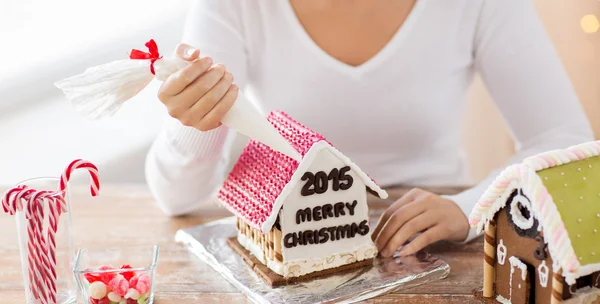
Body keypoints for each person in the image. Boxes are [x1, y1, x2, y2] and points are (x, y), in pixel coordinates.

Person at [146, 0, 593, 257]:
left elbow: (566, 141)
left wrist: (472, 209)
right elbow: (176, 198)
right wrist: (198, 120)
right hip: (293, 237)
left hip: (433, 249)